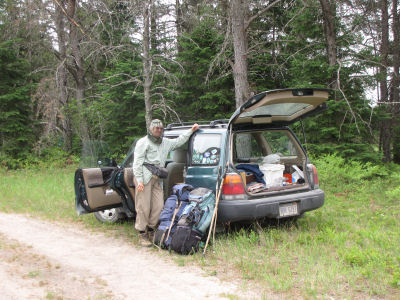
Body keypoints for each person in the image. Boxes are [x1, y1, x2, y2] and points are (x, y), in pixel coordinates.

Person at [132, 119, 199, 246]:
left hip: (157, 180)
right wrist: (139, 180)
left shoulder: (165, 142)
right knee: (143, 207)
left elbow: (179, 141)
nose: (159, 130)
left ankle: (151, 230)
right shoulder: (143, 142)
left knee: (159, 206)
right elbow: (137, 163)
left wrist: (191, 131)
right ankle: (142, 234)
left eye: (160, 128)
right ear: (151, 129)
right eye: (156, 128)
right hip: (144, 178)